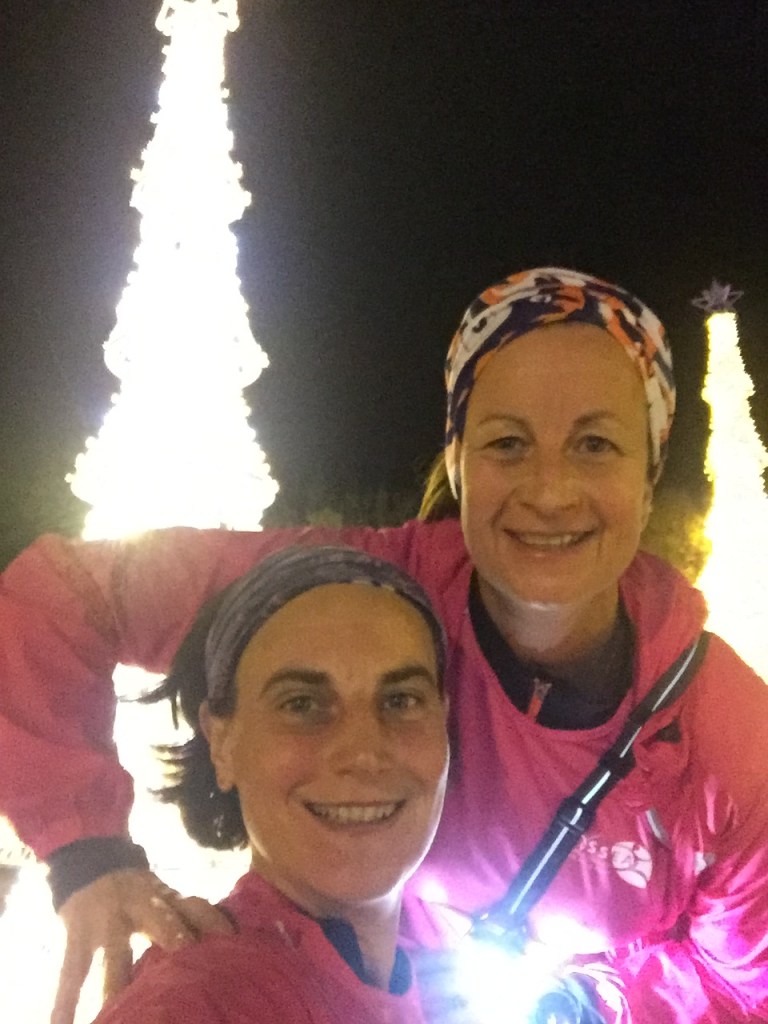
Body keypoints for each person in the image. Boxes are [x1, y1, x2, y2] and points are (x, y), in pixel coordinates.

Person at [1, 267, 767, 1024]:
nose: (549, 490)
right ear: (458, 461)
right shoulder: (358, 595)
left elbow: (743, 989)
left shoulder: (730, 742)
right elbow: (61, 597)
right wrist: (88, 852)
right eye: (507, 443)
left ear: (649, 475)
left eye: (595, 444)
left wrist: (596, 1000)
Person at [91, 544, 450, 1023]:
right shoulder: (197, 1005)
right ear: (222, 742)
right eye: (302, 704)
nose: (365, 754)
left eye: (401, 700)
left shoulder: (437, 983)